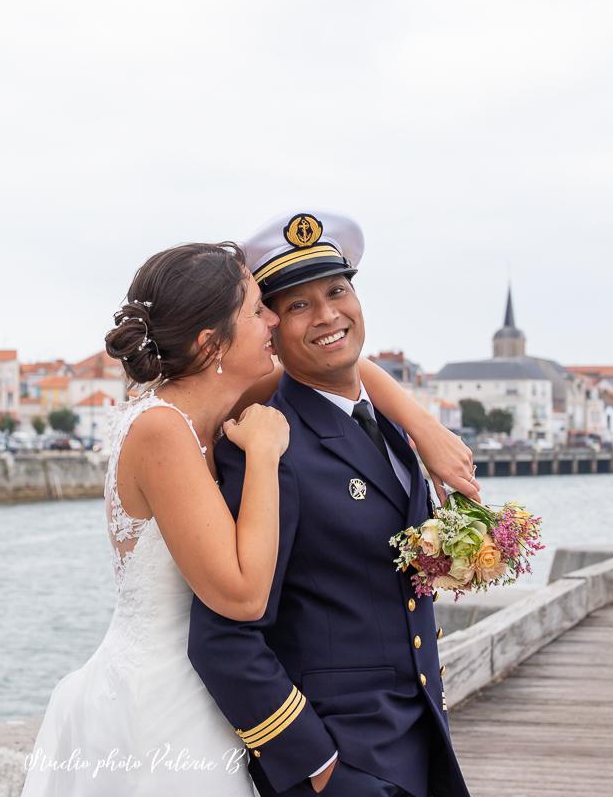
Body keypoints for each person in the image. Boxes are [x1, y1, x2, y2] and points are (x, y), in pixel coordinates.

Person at [21, 237, 475, 796]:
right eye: (259, 310)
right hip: (162, 703)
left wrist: (423, 427)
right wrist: (263, 455)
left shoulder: (217, 397)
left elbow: (347, 367)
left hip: (220, 706)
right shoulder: (162, 428)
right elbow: (242, 598)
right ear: (213, 344)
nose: (273, 323)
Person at [189, 212, 472, 796]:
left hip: (418, 743)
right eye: (297, 306)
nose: (327, 316)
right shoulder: (268, 447)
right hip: (346, 763)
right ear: (269, 328)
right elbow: (223, 636)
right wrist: (316, 766)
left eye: (337, 290)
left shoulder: (395, 429)